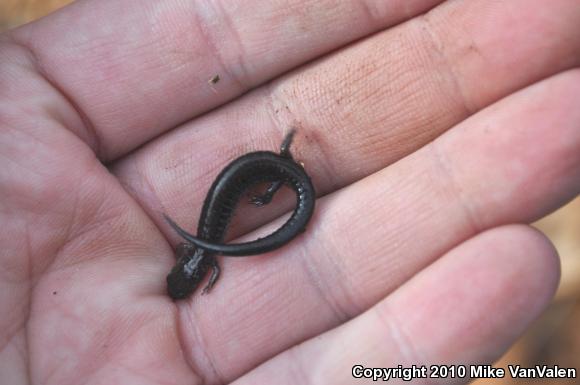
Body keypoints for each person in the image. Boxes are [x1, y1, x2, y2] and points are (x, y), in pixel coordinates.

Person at [1, 0, 578, 383]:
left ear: (196, 269)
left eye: (195, 273)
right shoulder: (200, 251)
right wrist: (268, 190)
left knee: (246, 214)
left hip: (277, 174)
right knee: (250, 207)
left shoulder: (204, 255)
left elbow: (214, 252)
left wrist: (254, 210)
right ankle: (278, 180)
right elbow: (214, 248)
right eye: (191, 275)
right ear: (190, 268)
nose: (192, 274)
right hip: (274, 172)